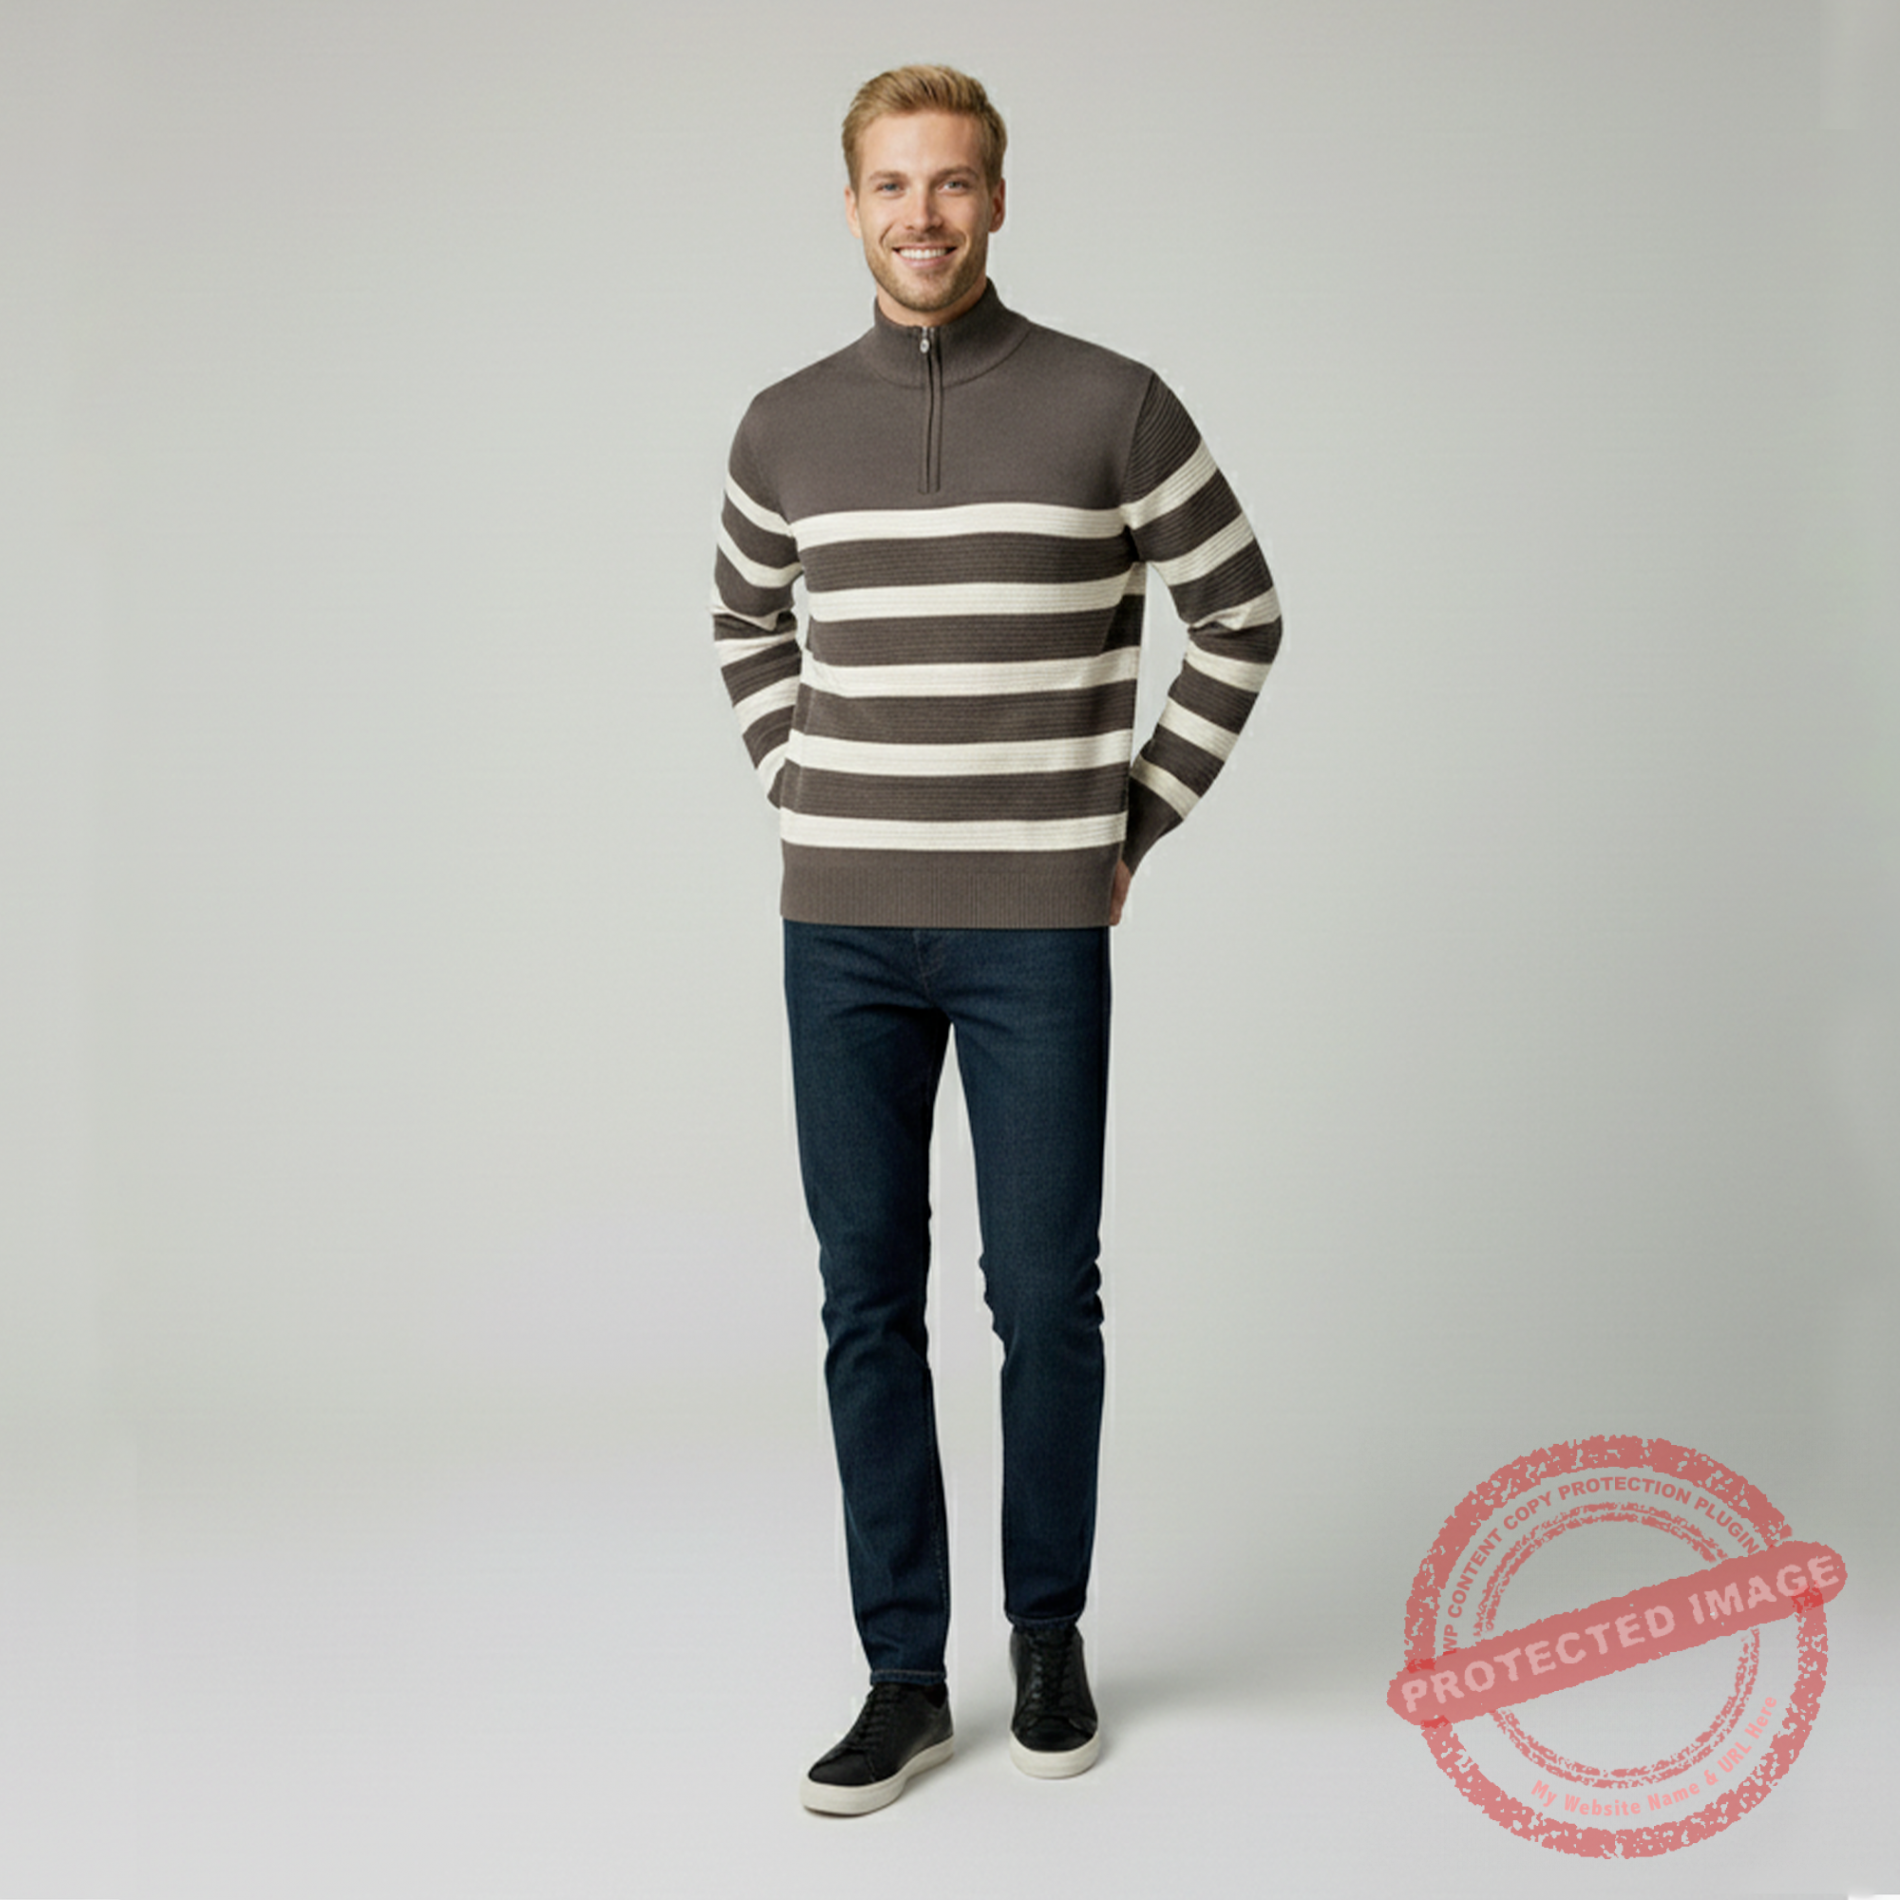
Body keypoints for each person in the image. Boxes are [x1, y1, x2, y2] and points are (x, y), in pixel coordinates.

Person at [711, 64, 1281, 1815]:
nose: (923, 216)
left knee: (1044, 1296)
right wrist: (800, 786)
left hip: (1036, 929)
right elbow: (743, 623)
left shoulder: (1113, 404)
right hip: (842, 933)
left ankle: (1046, 1636)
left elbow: (1242, 612)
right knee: (865, 1300)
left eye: (952, 183)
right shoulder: (784, 426)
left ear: (999, 199)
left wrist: (1134, 820)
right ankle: (904, 1674)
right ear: (852, 206)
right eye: (892, 185)